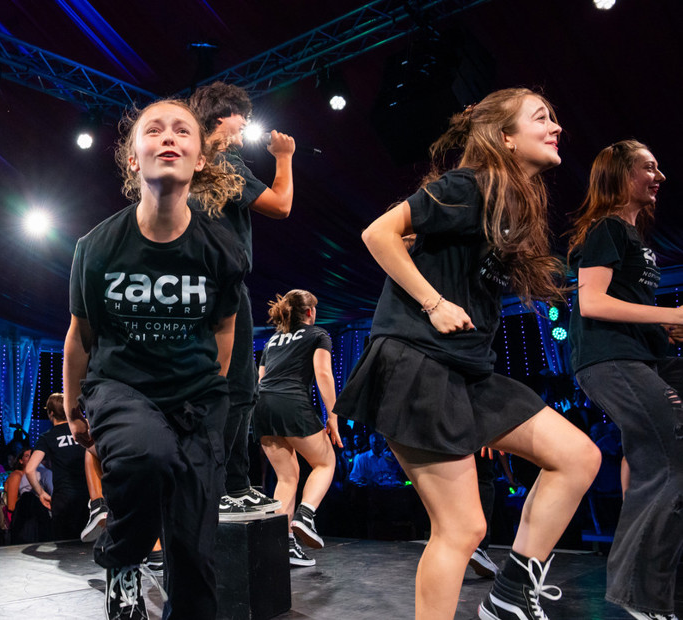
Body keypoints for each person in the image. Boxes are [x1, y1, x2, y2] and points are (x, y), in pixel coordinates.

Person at [333, 89, 600, 620]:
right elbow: (378, 233)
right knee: (462, 528)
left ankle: (510, 594)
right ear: (505, 138)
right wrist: (433, 303)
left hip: (467, 372)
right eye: (541, 118)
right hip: (418, 363)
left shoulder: (506, 202)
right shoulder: (468, 185)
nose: (556, 127)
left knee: (578, 457)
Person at [64, 98, 247, 620]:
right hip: (121, 388)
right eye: (154, 130)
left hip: (196, 399)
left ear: (201, 158)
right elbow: (80, 335)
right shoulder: (97, 246)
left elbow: (225, 330)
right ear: (132, 158)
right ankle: (123, 559)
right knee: (147, 455)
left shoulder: (222, 248)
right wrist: (75, 408)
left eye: (183, 131)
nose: (169, 137)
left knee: (194, 556)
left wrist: (208, 389)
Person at [567, 140, 682, 620]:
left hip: (645, 356)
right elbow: (592, 302)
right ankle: (640, 595)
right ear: (621, 174)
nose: (660, 177)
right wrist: (671, 314)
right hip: (611, 359)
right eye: (649, 167)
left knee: (660, 463)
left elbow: (629, 304)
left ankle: (653, 589)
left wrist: (664, 328)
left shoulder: (636, 238)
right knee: (673, 459)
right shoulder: (607, 228)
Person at [189, 81, 296, 521]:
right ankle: (222, 485)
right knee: (237, 389)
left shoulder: (195, 161)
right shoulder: (223, 160)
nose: (246, 125)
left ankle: (231, 483)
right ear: (222, 117)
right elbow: (281, 205)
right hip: (224, 287)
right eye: (242, 117)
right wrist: (285, 157)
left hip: (197, 287)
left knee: (229, 388)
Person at [253, 289, 342, 569]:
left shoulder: (273, 341)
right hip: (291, 402)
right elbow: (323, 374)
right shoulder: (317, 334)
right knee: (325, 463)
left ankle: (281, 545)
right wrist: (333, 416)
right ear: (310, 312)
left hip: (261, 405)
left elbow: (261, 379)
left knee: (287, 477)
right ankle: (306, 515)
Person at [25, 393, 90, 541]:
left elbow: (29, 469)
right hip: (89, 497)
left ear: (51, 413)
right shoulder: (83, 431)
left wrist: (41, 493)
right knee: (88, 546)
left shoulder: (47, 437)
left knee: (64, 545)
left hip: (64, 500)